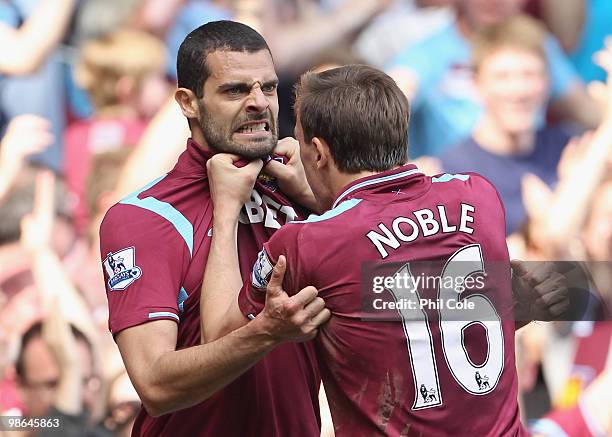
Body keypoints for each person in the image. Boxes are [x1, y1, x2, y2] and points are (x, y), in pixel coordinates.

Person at [201, 65, 542, 436]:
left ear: (318, 152)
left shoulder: (306, 242)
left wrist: (225, 210)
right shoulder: (478, 195)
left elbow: (218, 334)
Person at [99, 20, 330, 436]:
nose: (260, 103)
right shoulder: (144, 218)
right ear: (188, 102)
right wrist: (265, 333)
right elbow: (155, 384)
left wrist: (321, 202)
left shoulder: (301, 195)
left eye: (270, 88)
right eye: (235, 90)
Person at [387, 0, 597, 157]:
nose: (494, 1)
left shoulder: (537, 43)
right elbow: (391, 99)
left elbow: (583, 108)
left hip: (531, 172)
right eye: (503, 76)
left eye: (528, 74)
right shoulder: (428, 53)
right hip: (455, 190)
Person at [436, 15, 572, 235]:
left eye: (529, 75)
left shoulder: (567, 148)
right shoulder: (453, 175)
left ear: (547, 82)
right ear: (476, 85)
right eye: (502, 77)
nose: (518, 90)